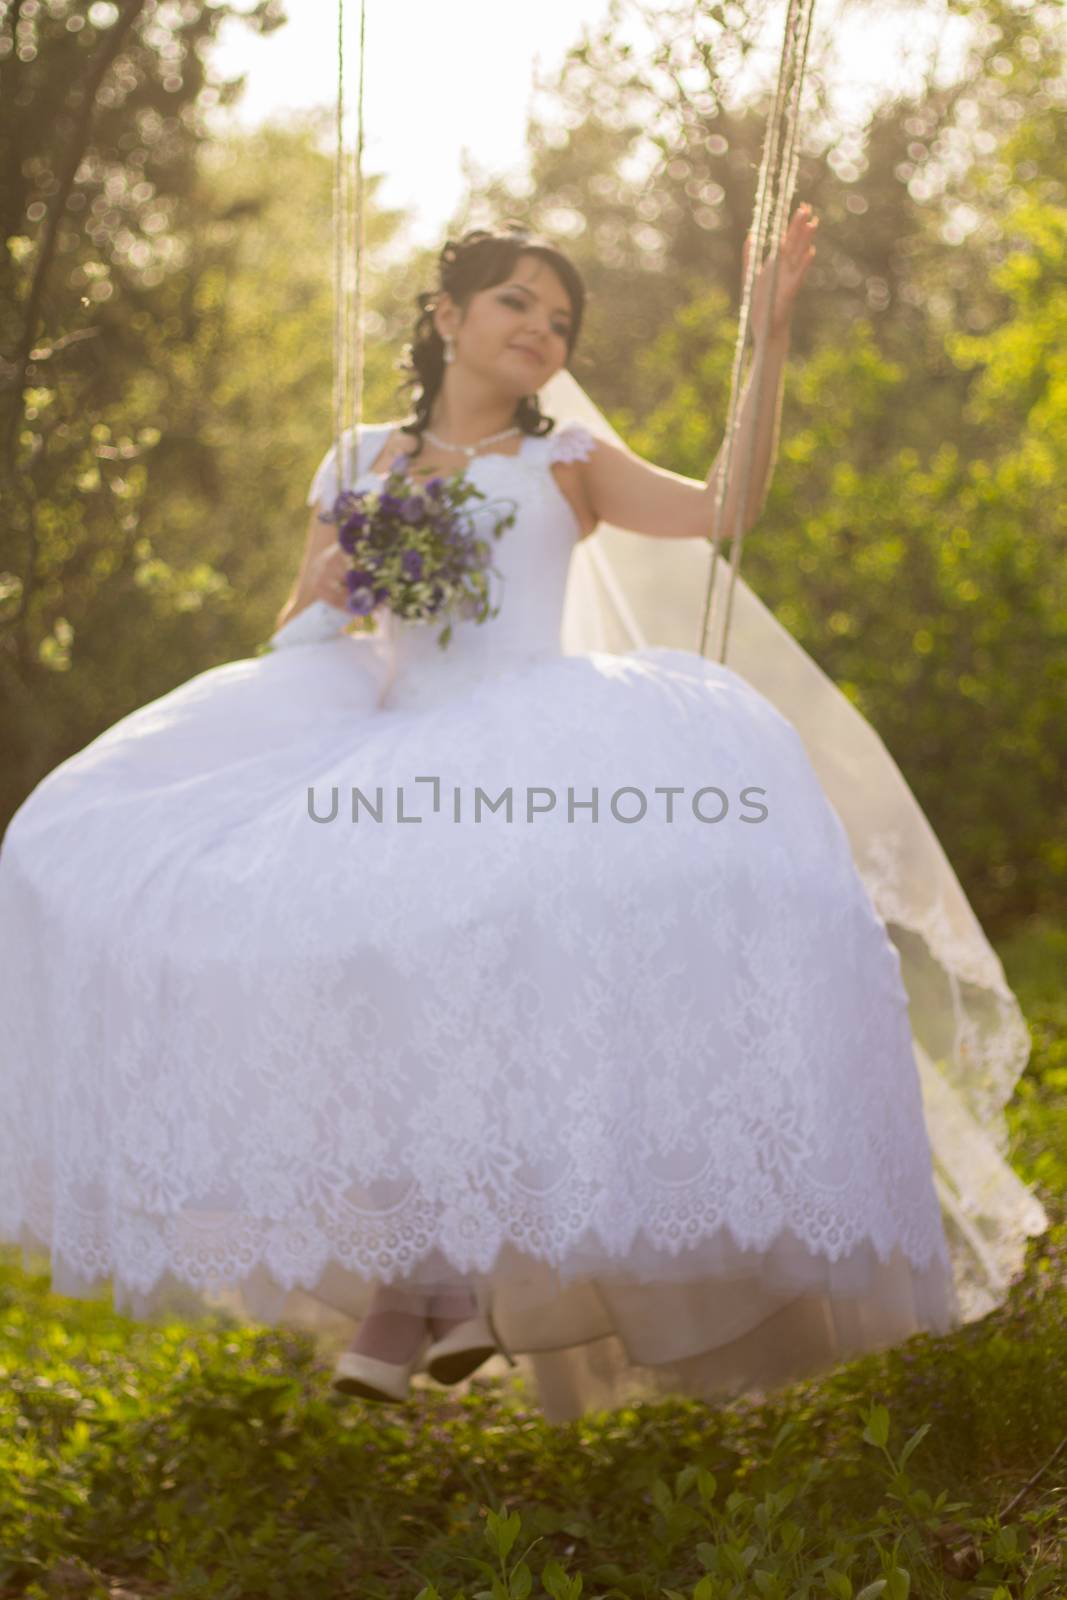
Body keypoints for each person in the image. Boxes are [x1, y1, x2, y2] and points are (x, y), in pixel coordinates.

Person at [0, 218, 1045, 1425]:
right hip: (392, 752)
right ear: (445, 316)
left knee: (537, 962)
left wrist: (764, 342)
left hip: (538, 743)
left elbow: (723, 506)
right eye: (516, 303)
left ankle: (435, 1288)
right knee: (373, 986)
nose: (541, 330)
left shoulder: (567, 460)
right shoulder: (358, 459)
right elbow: (302, 620)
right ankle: (427, 1281)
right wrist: (330, 598)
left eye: (559, 319)